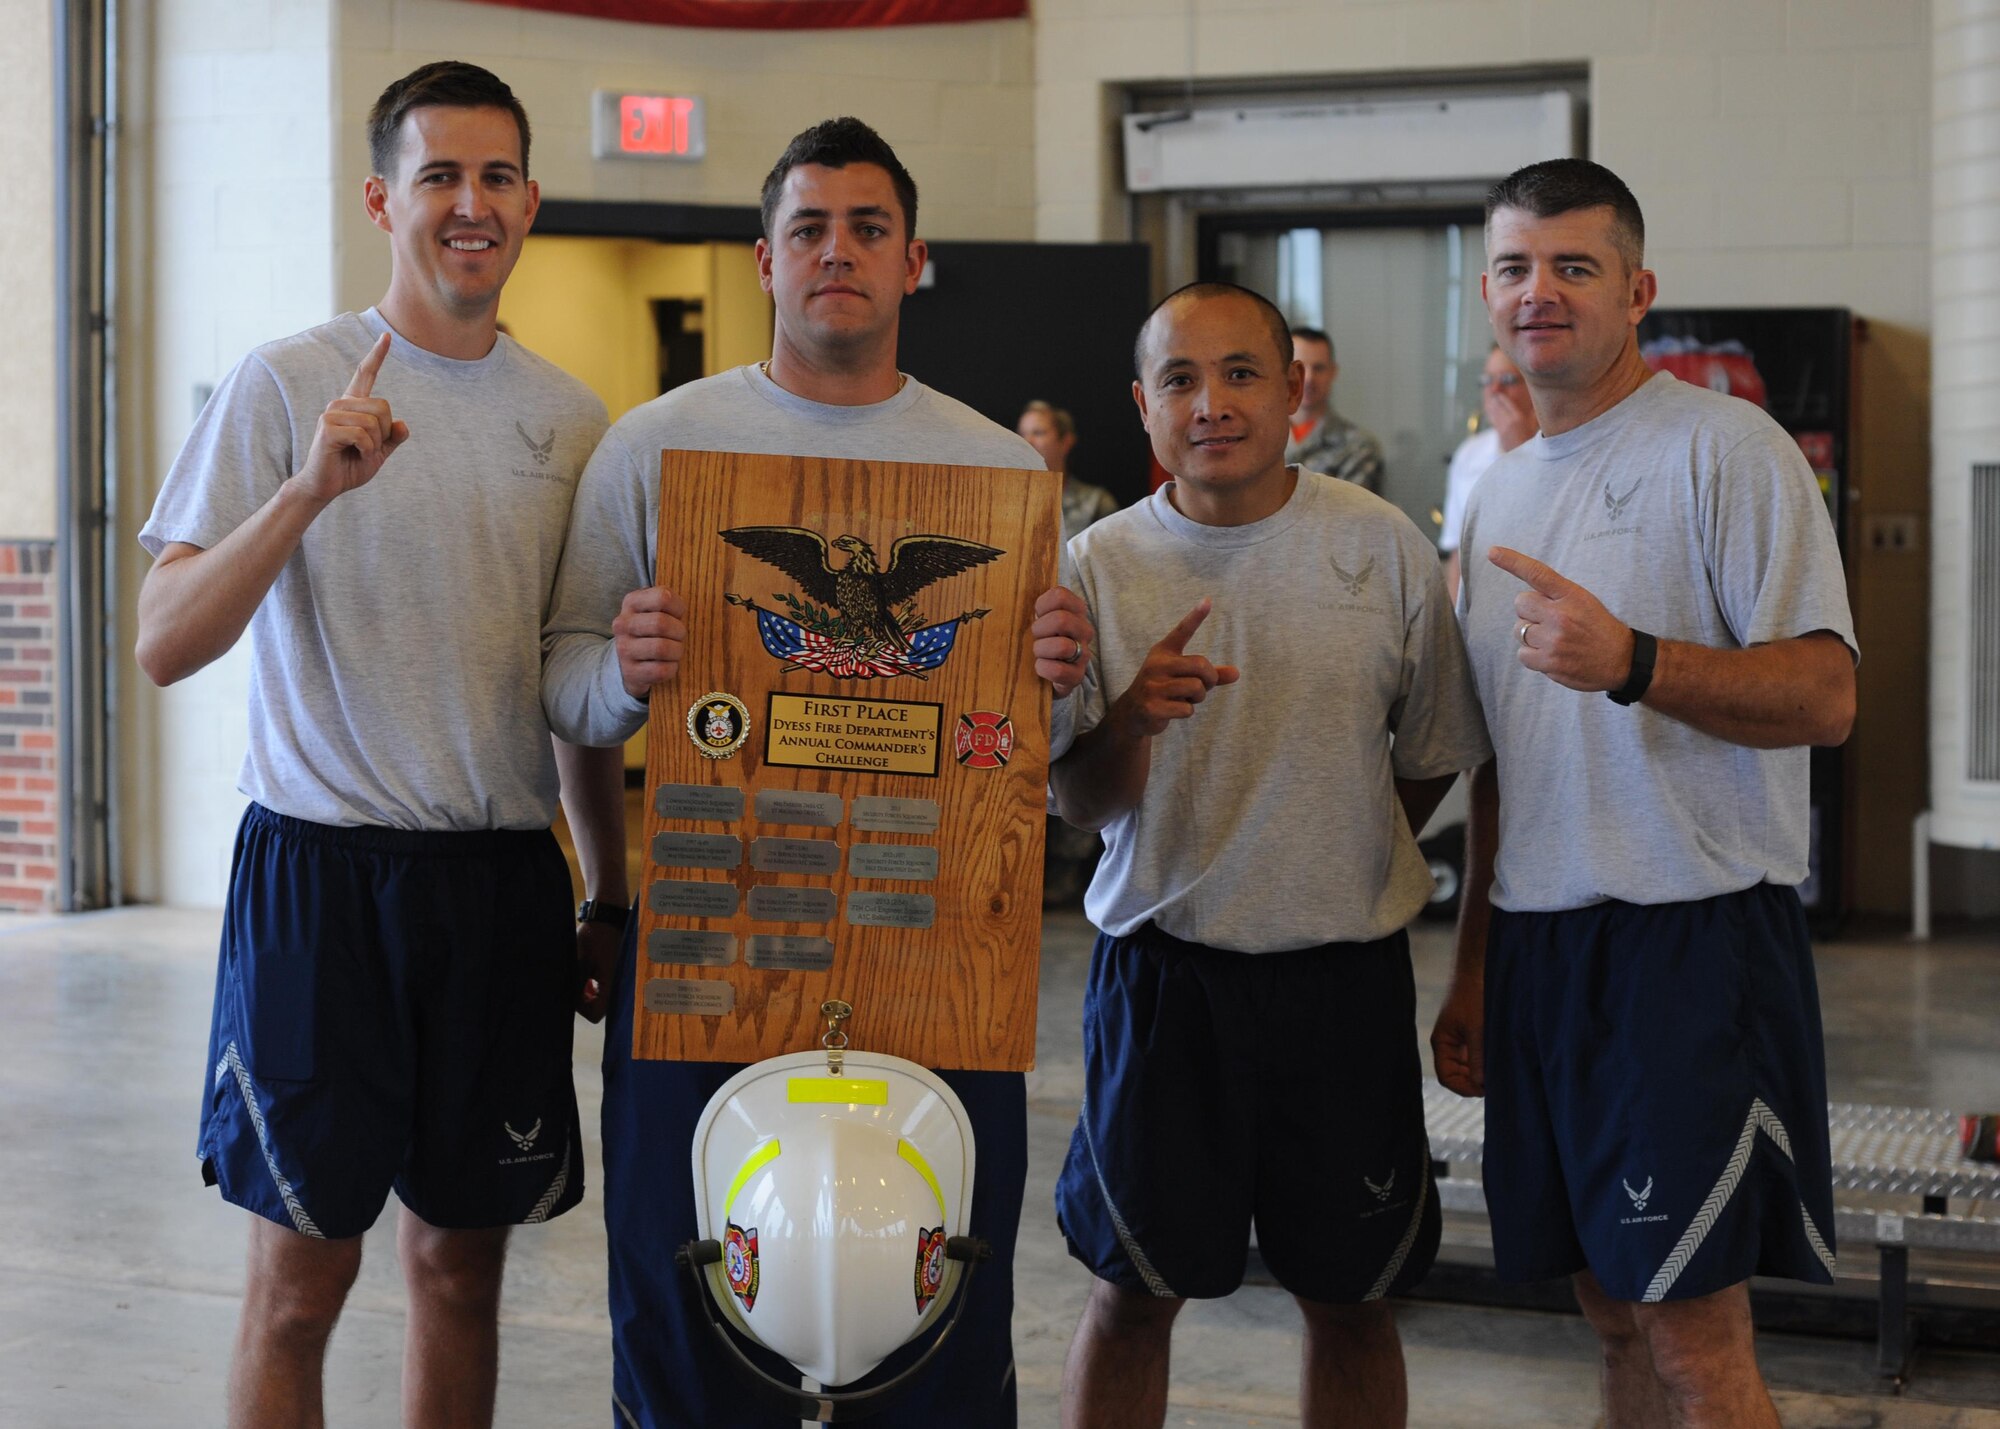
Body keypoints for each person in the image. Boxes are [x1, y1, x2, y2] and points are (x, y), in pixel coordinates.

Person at [539, 116, 1094, 1429]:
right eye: (807, 229)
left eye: (866, 228)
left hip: (939, 948)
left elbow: (1031, 758)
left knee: (931, 1311)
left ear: (916, 263)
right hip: (717, 931)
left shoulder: (1003, 475)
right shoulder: (656, 445)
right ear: (763, 260)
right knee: (692, 1312)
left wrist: (1062, 683)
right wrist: (623, 670)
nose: (835, 251)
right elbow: (560, 688)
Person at [133, 61, 626, 1429]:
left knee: (462, 1273)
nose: (471, 205)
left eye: (496, 177)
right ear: (381, 198)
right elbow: (165, 639)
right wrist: (306, 491)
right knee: (298, 1285)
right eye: (438, 178)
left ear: (532, 199)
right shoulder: (287, 381)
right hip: (320, 887)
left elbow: (566, 688)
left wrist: (609, 889)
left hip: (496, 888)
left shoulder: (574, 422)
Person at [1430, 158, 1857, 1429]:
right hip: (1545, 949)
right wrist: (1473, 967)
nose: (1537, 292)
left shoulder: (1724, 448)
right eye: (1512, 267)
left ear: (1635, 290)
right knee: (1608, 1315)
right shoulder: (1501, 486)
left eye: (1573, 266)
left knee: (1689, 1337)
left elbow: (1826, 694)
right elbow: (1506, 761)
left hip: (1691, 939)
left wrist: (1635, 663)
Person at [1049, 281, 1492, 1429]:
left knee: (1351, 1298)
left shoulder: (1379, 545)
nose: (1211, 403)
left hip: (1338, 985)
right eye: (1180, 380)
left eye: (1240, 372)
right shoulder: (1095, 566)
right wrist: (1129, 721)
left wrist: (1333, 832)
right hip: (1161, 980)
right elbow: (1074, 801)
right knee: (1131, 1294)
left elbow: (1434, 753)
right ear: (1141, 406)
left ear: (1292, 389)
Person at [1017, 399, 1119, 905]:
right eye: (1025, 433)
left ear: (1064, 440)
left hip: (1085, 635)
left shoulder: (1094, 502)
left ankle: (1068, 866)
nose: (1032, 443)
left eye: (1041, 433)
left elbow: (1110, 579)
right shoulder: (1007, 497)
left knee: (1081, 740)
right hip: (1021, 642)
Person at [1439, 344, 1536, 603]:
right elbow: (1458, 552)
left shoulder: (1556, 445)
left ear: (1533, 385)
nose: (1494, 390)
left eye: (1507, 380)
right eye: (1487, 380)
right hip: (1478, 601)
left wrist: (1520, 448)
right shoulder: (1469, 452)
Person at [1285, 325, 1384, 492]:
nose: (1308, 378)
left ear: (1333, 372)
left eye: (1318, 368)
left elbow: (1351, 514)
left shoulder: (1359, 447)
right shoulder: (1260, 438)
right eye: (1299, 368)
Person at [1018, 399, 1120, 543]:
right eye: (1022, 434)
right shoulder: (1007, 502)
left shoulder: (1097, 503)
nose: (1026, 441)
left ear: (1066, 441)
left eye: (1038, 433)